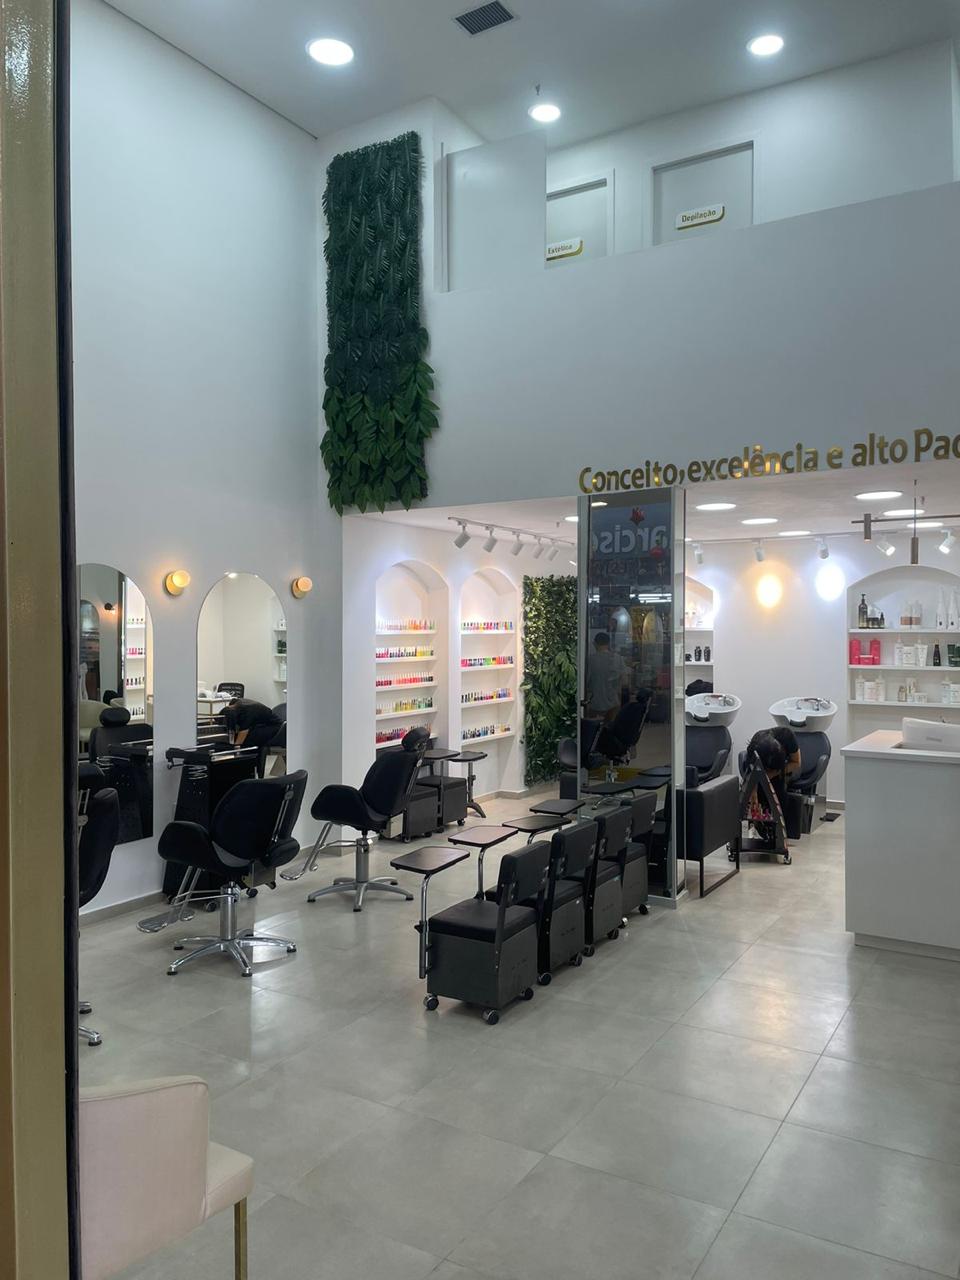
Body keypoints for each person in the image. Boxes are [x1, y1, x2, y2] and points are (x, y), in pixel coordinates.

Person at [586, 631, 630, 723]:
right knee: (611, 728)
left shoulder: (590, 660)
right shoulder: (618, 658)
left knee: (595, 729)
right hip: (613, 704)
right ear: (608, 643)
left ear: (594, 644)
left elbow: (586, 682)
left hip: (595, 704)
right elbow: (625, 682)